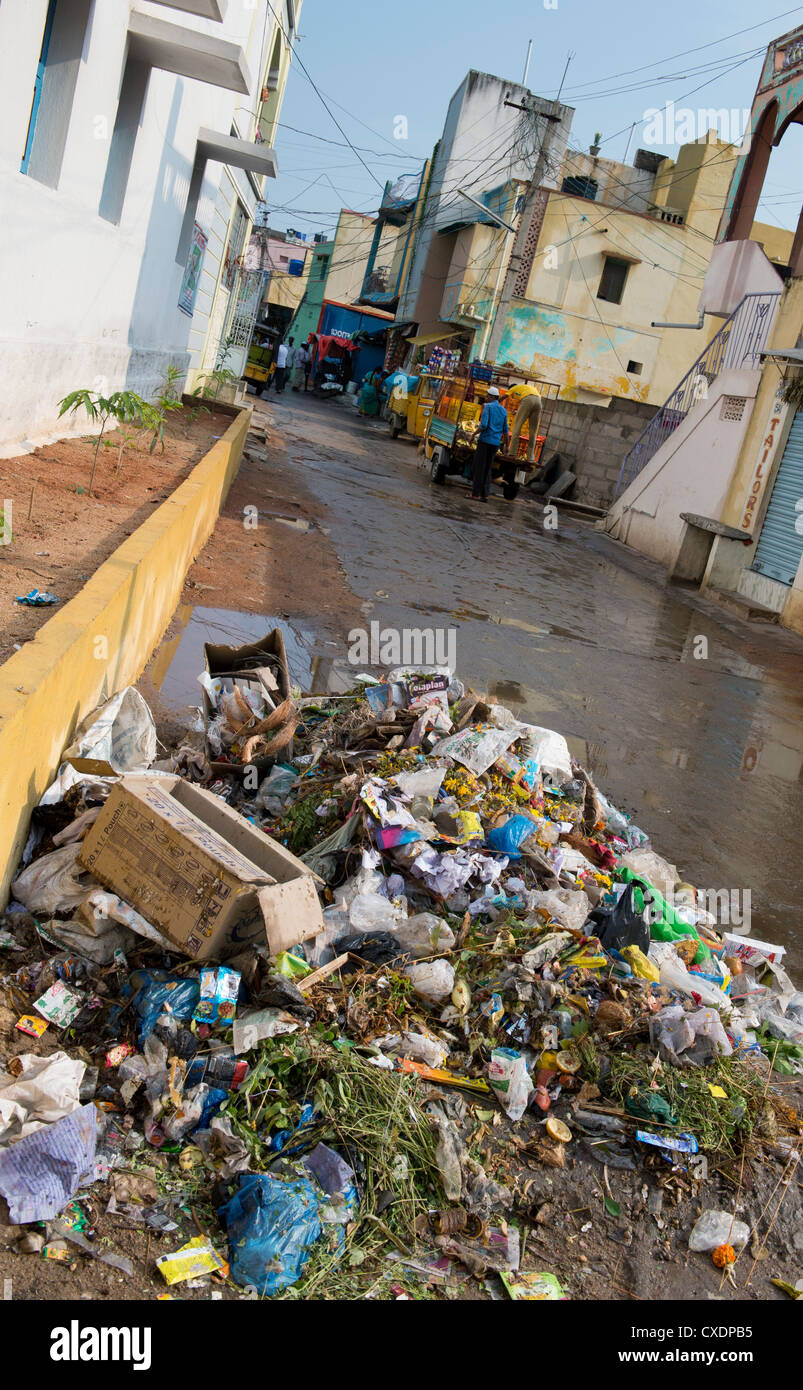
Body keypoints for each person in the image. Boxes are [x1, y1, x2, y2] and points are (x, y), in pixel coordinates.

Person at [471, 385, 508, 501]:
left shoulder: (487, 407)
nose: (486, 398)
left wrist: (473, 434)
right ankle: (484, 495)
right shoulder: (503, 411)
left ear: (492, 397)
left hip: (485, 442)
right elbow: (506, 430)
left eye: (488, 396)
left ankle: (475, 494)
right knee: (487, 469)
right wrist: (507, 445)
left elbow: (484, 425)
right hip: (495, 444)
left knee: (479, 468)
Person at [505, 381, 542, 463]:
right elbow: (531, 402)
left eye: (512, 396)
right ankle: (531, 458)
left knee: (517, 426)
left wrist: (495, 402)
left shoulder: (514, 388)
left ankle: (512, 453)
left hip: (528, 400)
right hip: (539, 402)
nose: (513, 397)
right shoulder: (526, 388)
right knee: (533, 432)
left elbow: (504, 396)